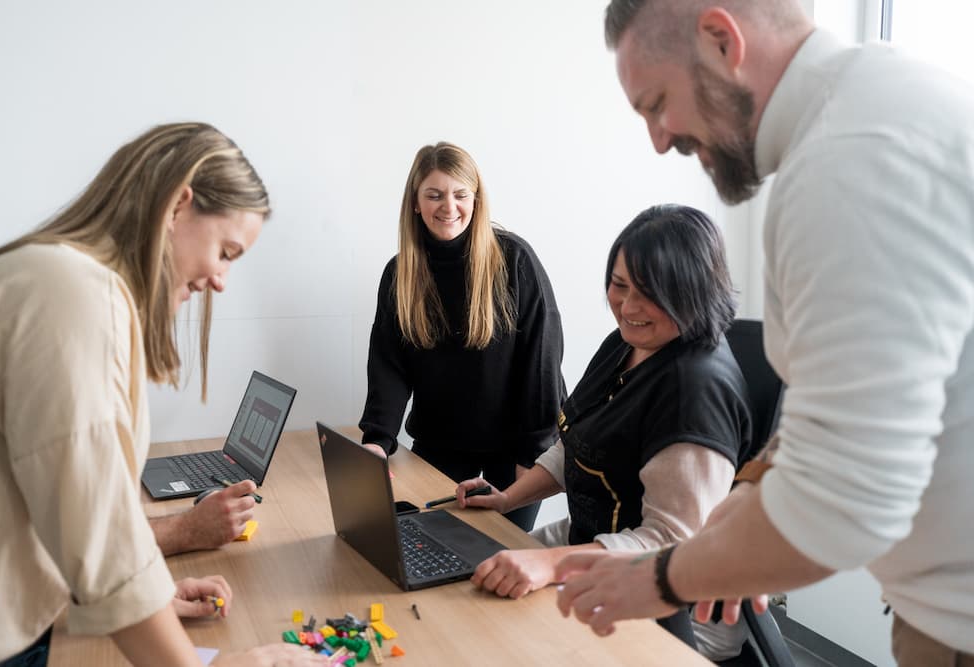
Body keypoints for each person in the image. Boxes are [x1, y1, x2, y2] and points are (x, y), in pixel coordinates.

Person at [554, 2, 974, 665]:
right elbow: (834, 398)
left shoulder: (847, 163)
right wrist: (750, 491)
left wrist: (663, 576)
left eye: (657, 104)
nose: (660, 140)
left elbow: (847, 501)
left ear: (722, 40)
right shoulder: (874, 110)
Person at [0, 122, 325, 666]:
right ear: (177, 206)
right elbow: (97, 537)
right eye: (226, 251)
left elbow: (66, 511)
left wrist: (154, 599)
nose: (221, 280)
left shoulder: (54, 277)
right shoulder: (74, 296)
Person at [456, 204, 752, 656]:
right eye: (619, 285)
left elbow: (669, 544)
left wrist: (549, 565)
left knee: (505, 638)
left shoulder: (696, 392)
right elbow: (577, 441)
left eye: (650, 293)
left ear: (691, 291)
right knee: (465, 586)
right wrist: (507, 498)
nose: (628, 308)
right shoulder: (626, 344)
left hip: (676, 605)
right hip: (595, 543)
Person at [359, 142, 566, 532]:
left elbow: (542, 361)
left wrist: (533, 454)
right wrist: (377, 441)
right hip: (441, 445)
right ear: (416, 203)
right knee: (433, 548)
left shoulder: (515, 259)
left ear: (476, 199)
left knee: (499, 556)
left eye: (460, 194)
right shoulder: (400, 274)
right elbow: (389, 365)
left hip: (516, 450)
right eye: (434, 195)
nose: (448, 207)